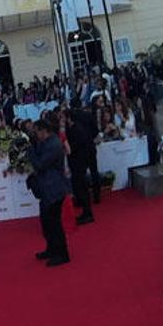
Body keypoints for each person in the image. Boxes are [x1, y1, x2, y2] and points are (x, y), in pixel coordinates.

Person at [27, 120, 71, 267]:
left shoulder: (54, 145)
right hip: (47, 188)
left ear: (44, 130)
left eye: (37, 132)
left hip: (54, 188)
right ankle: (52, 249)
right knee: (46, 223)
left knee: (54, 224)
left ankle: (62, 254)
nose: (36, 135)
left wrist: (29, 151)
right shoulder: (47, 142)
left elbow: (40, 164)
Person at [63, 110, 94, 225]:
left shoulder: (77, 130)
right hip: (78, 163)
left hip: (79, 163)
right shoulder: (74, 129)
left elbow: (75, 147)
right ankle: (85, 210)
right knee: (80, 187)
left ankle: (87, 213)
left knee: (82, 187)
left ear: (69, 118)